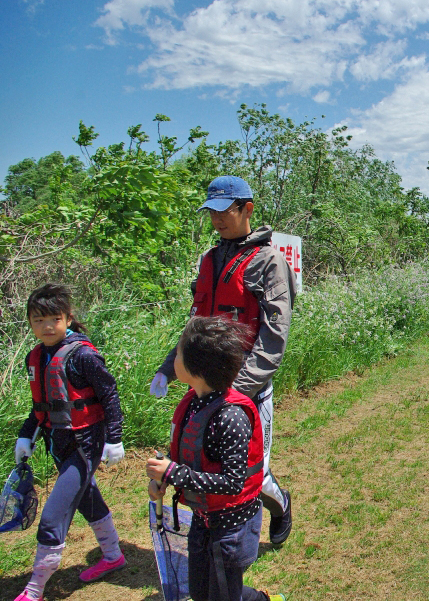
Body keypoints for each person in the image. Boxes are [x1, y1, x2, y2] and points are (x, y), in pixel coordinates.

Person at [150, 176, 296, 545]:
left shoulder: (268, 262)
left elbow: (273, 338)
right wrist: (170, 367)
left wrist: (238, 392)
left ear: (246, 209)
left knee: (251, 476)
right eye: (211, 211)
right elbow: (195, 326)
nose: (216, 219)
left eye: (224, 210)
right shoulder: (209, 261)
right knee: (204, 466)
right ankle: (211, 543)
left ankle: (280, 506)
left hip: (247, 391)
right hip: (205, 388)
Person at [146, 317, 286, 601]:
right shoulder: (194, 402)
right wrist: (164, 480)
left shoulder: (230, 416)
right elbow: (190, 458)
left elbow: (234, 482)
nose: (174, 358)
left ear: (197, 367)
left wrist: (173, 473)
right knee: (200, 594)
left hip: (230, 528)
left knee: (221, 596)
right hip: (202, 519)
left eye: (179, 353)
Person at [15, 284, 126, 601]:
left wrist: (114, 438)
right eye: (38, 320)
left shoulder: (83, 356)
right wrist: (27, 433)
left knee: (52, 518)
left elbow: (109, 395)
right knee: (86, 499)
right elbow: (41, 405)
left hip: (85, 443)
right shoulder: (35, 357)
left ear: (67, 318)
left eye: (54, 318)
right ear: (30, 323)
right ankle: (113, 556)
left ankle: (34, 589)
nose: (47, 326)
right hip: (58, 443)